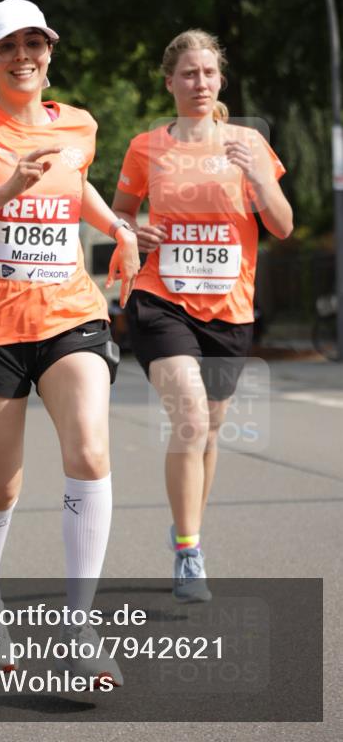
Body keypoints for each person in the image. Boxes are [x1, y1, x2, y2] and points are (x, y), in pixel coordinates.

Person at [0, 0, 140, 686]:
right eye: (6, 47)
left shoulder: (77, 124)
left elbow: (75, 188)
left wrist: (119, 228)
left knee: (89, 449)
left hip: (71, 315)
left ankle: (79, 629)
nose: (23, 57)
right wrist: (3, 189)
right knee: (0, 488)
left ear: (50, 52)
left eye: (33, 44)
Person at [112, 29, 293, 602]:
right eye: (188, 74)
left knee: (209, 431)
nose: (200, 83)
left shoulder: (248, 143)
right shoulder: (146, 148)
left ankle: (187, 527)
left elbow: (283, 226)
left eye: (208, 73)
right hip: (161, 299)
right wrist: (131, 228)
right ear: (170, 82)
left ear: (220, 80)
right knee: (190, 417)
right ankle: (189, 551)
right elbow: (120, 213)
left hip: (229, 308)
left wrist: (261, 178)